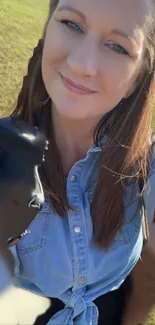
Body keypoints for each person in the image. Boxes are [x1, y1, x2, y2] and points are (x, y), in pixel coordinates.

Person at [4, 0, 155, 324]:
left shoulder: (147, 162)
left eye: (116, 46)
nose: (83, 64)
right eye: (72, 24)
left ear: (137, 77)